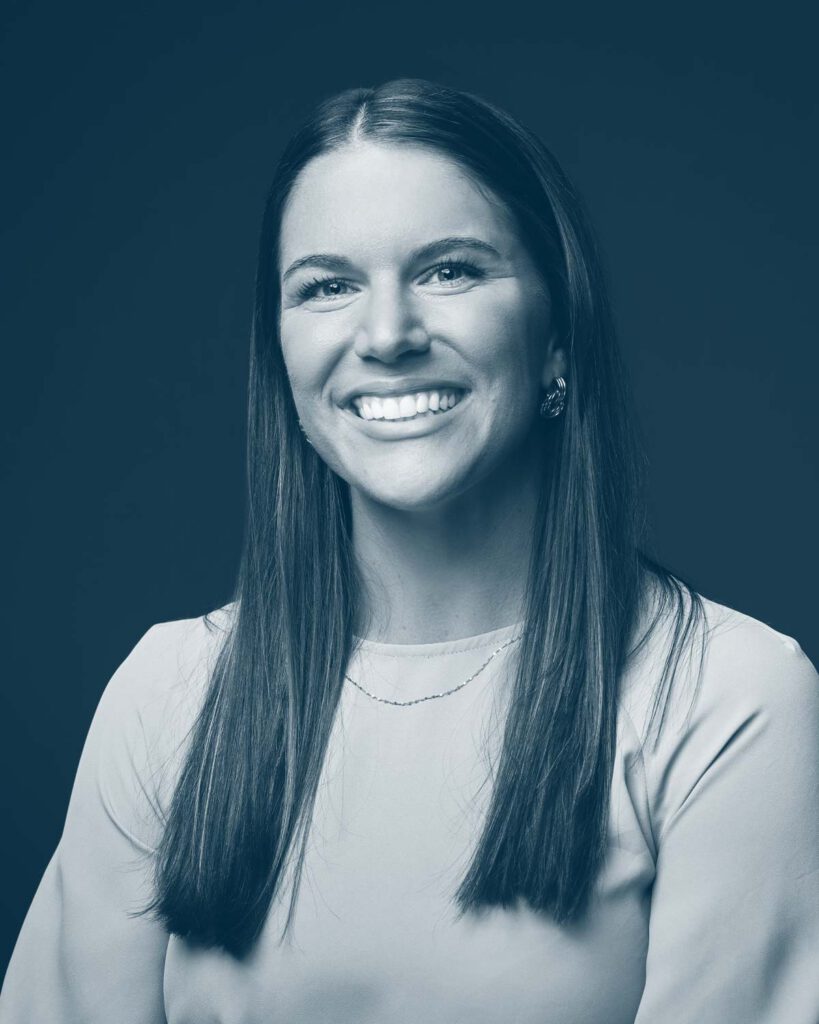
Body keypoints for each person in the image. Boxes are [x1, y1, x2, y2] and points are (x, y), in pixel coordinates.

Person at [2, 78, 818, 1024]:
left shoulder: (730, 699)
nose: (386, 335)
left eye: (451, 270)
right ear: (281, 354)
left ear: (556, 338)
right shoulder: (166, 695)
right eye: (328, 286)